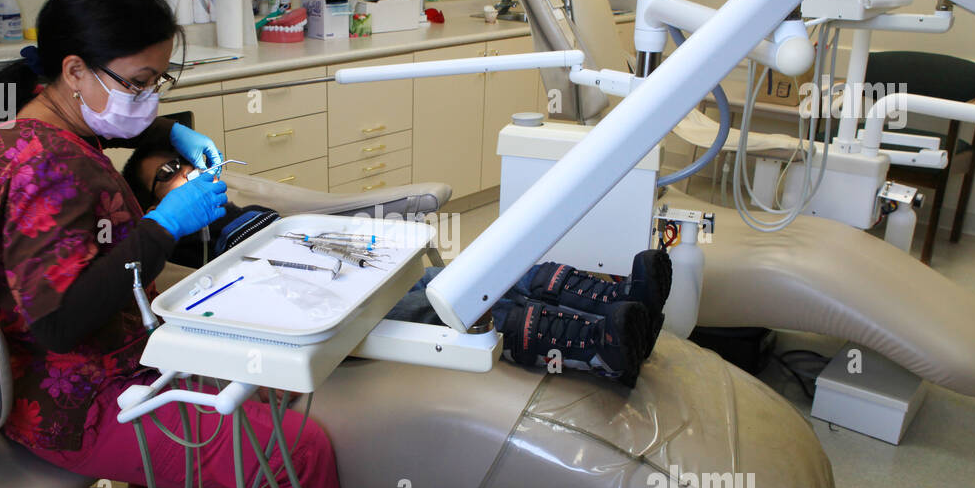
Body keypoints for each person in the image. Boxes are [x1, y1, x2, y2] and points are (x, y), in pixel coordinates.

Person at [0, 0, 407, 488]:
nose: (149, 97)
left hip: (67, 365)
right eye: (139, 82)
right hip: (78, 397)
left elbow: (109, 131)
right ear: (74, 70)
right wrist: (163, 226)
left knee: (278, 368)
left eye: (159, 79)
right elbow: (59, 323)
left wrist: (171, 133)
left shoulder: (26, 120)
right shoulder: (49, 169)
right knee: (295, 453)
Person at [122, 144, 672, 382]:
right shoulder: (173, 246)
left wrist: (177, 145)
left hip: (355, 272)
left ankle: (618, 300)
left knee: (477, 276)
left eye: (182, 162)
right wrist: (168, 222)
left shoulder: (235, 205)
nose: (185, 174)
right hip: (330, 312)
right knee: (464, 311)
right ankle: (602, 347)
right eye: (165, 175)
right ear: (153, 205)